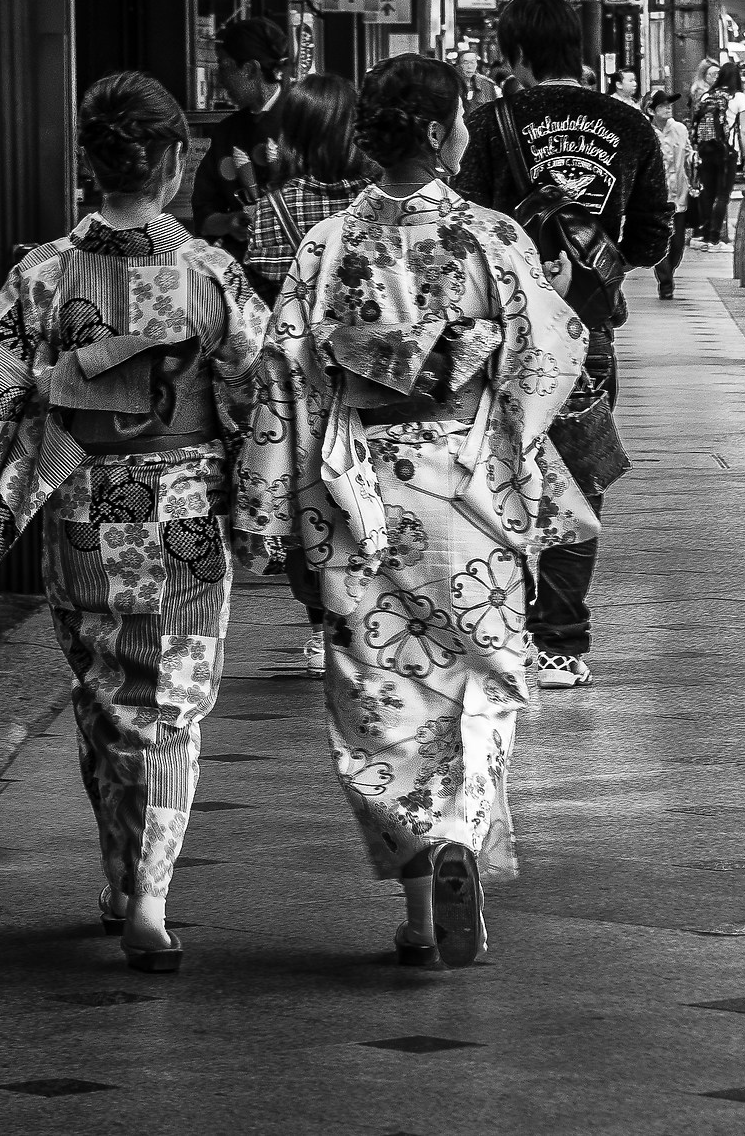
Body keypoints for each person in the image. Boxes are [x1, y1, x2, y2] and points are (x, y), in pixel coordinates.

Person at [241, 54, 595, 970]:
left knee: (380, 694)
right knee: (478, 685)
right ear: (437, 134)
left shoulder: (326, 246)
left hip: (359, 489)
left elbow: (283, 375)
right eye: (465, 117)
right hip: (469, 488)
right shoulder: (489, 237)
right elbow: (551, 354)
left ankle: (419, 902)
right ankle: (461, 843)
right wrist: (506, 435)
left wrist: (270, 507)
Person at [0, 72, 269, 974]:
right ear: (176, 163)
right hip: (185, 509)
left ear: (91, 162)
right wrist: (269, 515)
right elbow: (261, 394)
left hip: (79, 503)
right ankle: (148, 897)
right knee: (172, 707)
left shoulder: (41, 273)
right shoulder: (209, 274)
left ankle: (121, 878)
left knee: (105, 699)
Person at [457, 0, 671, 691]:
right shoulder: (631, 125)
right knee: (579, 475)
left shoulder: (491, 123)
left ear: (516, 53)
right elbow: (652, 237)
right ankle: (560, 643)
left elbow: (465, 228)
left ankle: (506, 625)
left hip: (500, 332)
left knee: (497, 470)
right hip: (586, 332)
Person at [244, 73, 384, 676]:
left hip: (304, 386)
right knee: (371, 493)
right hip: (373, 377)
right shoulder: (377, 203)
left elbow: (259, 301)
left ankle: (323, 621)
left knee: (315, 504)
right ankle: (376, 612)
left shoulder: (277, 206)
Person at [193, 15, 294, 258]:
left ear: (250, 69)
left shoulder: (303, 119)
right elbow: (204, 209)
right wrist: (228, 223)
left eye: (224, 67)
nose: (220, 78)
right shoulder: (226, 131)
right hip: (243, 268)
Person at [691, 61, 745, 248]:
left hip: (706, 150)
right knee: (722, 195)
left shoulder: (707, 96)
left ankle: (703, 233)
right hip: (727, 152)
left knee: (708, 192)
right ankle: (714, 238)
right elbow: (743, 130)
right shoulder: (738, 97)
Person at [645, 87, 697, 300]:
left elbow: (689, 156)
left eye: (669, 105)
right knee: (659, 242)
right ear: (651, 110)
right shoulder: (647, 132)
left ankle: (669, 271)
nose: (667, 109)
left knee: (677, 245)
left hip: (680, 196)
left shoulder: (680, 129)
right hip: (655, 200)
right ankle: (665, 282)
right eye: (662, 106)